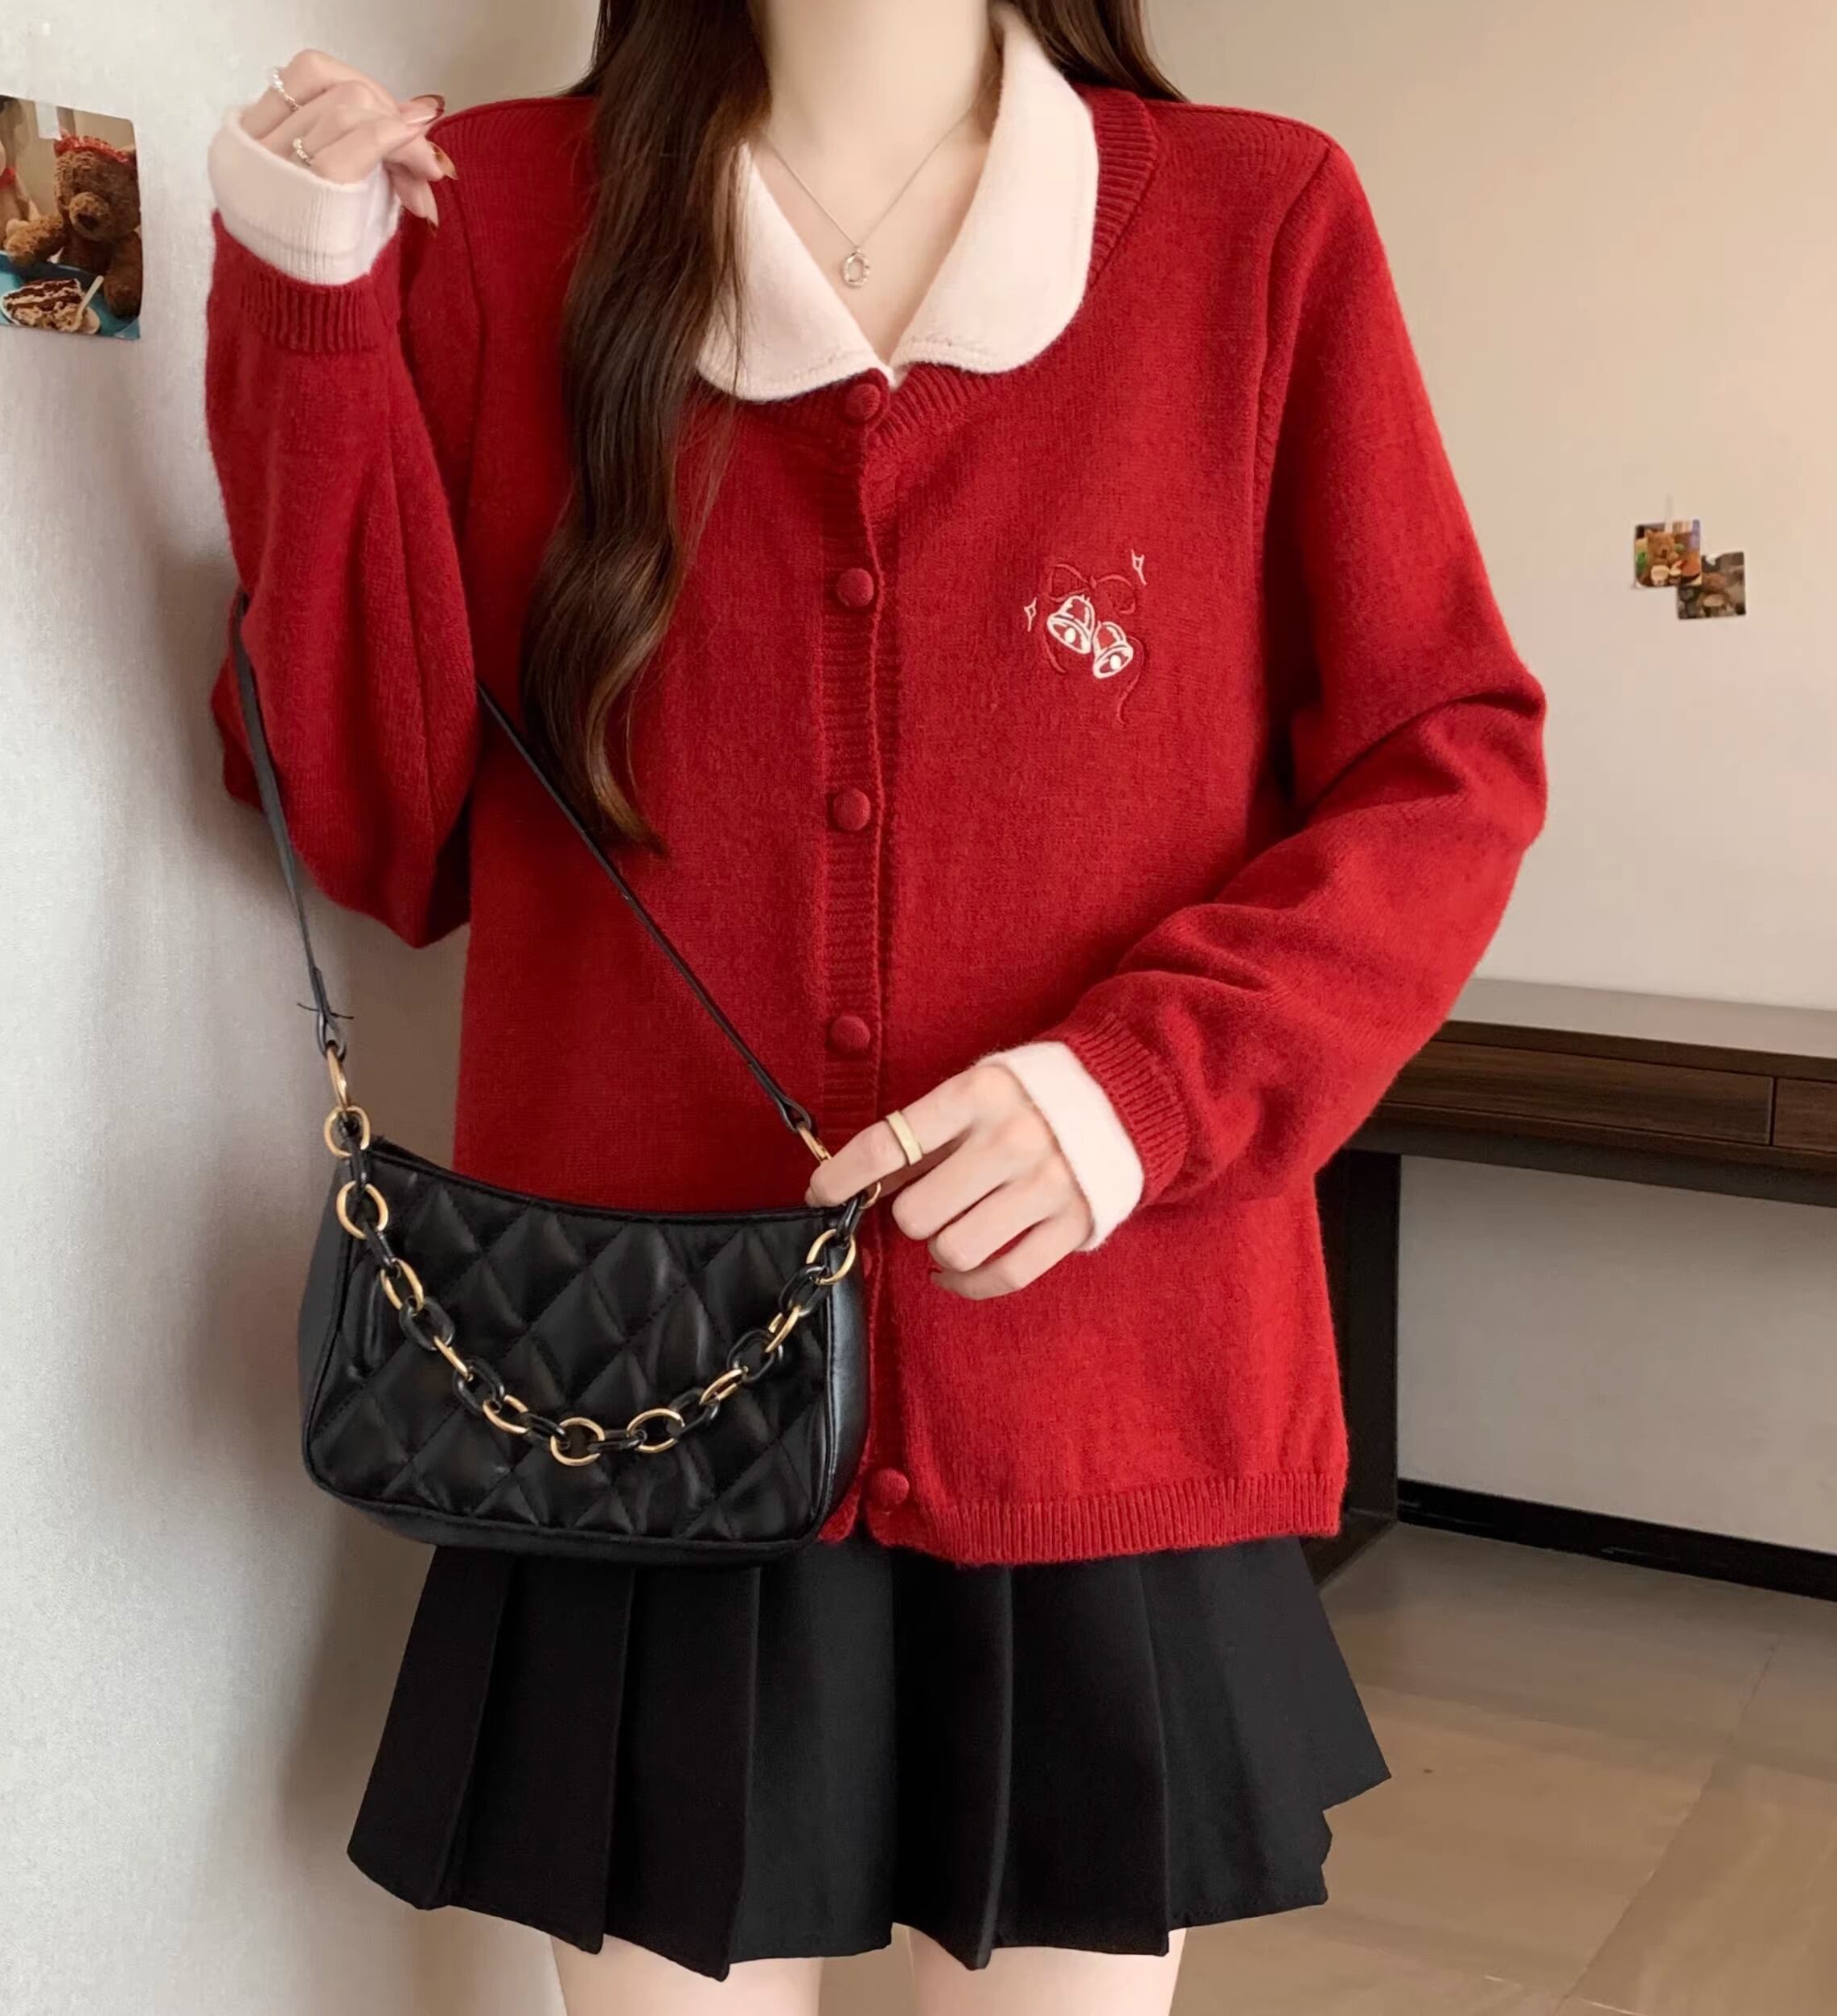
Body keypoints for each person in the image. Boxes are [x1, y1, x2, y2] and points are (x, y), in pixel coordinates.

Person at [199, 2, 1547, 2009]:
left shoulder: (1254, 226)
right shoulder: (508, 220)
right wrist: (309, 302)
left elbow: (1446, 762)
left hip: (1096, 1393)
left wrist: (1136, 1095)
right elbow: (383, 830)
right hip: (642, 1397)